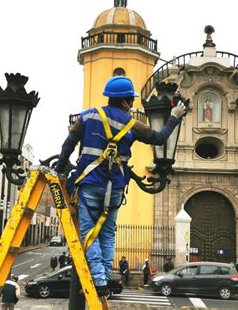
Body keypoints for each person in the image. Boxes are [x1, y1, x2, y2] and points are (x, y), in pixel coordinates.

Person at [54, 76, 185, 297]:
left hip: (90, 185)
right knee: (107, 235)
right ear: (124, 102)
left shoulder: (87, 117)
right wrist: (174, 117)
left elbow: (68, 144)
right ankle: (103, 279)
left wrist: (60, 167)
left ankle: (98, 280)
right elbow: (160, 138)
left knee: (88, 234)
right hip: (114, 188)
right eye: (131, 101)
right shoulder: (133, 124)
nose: (132, 105)